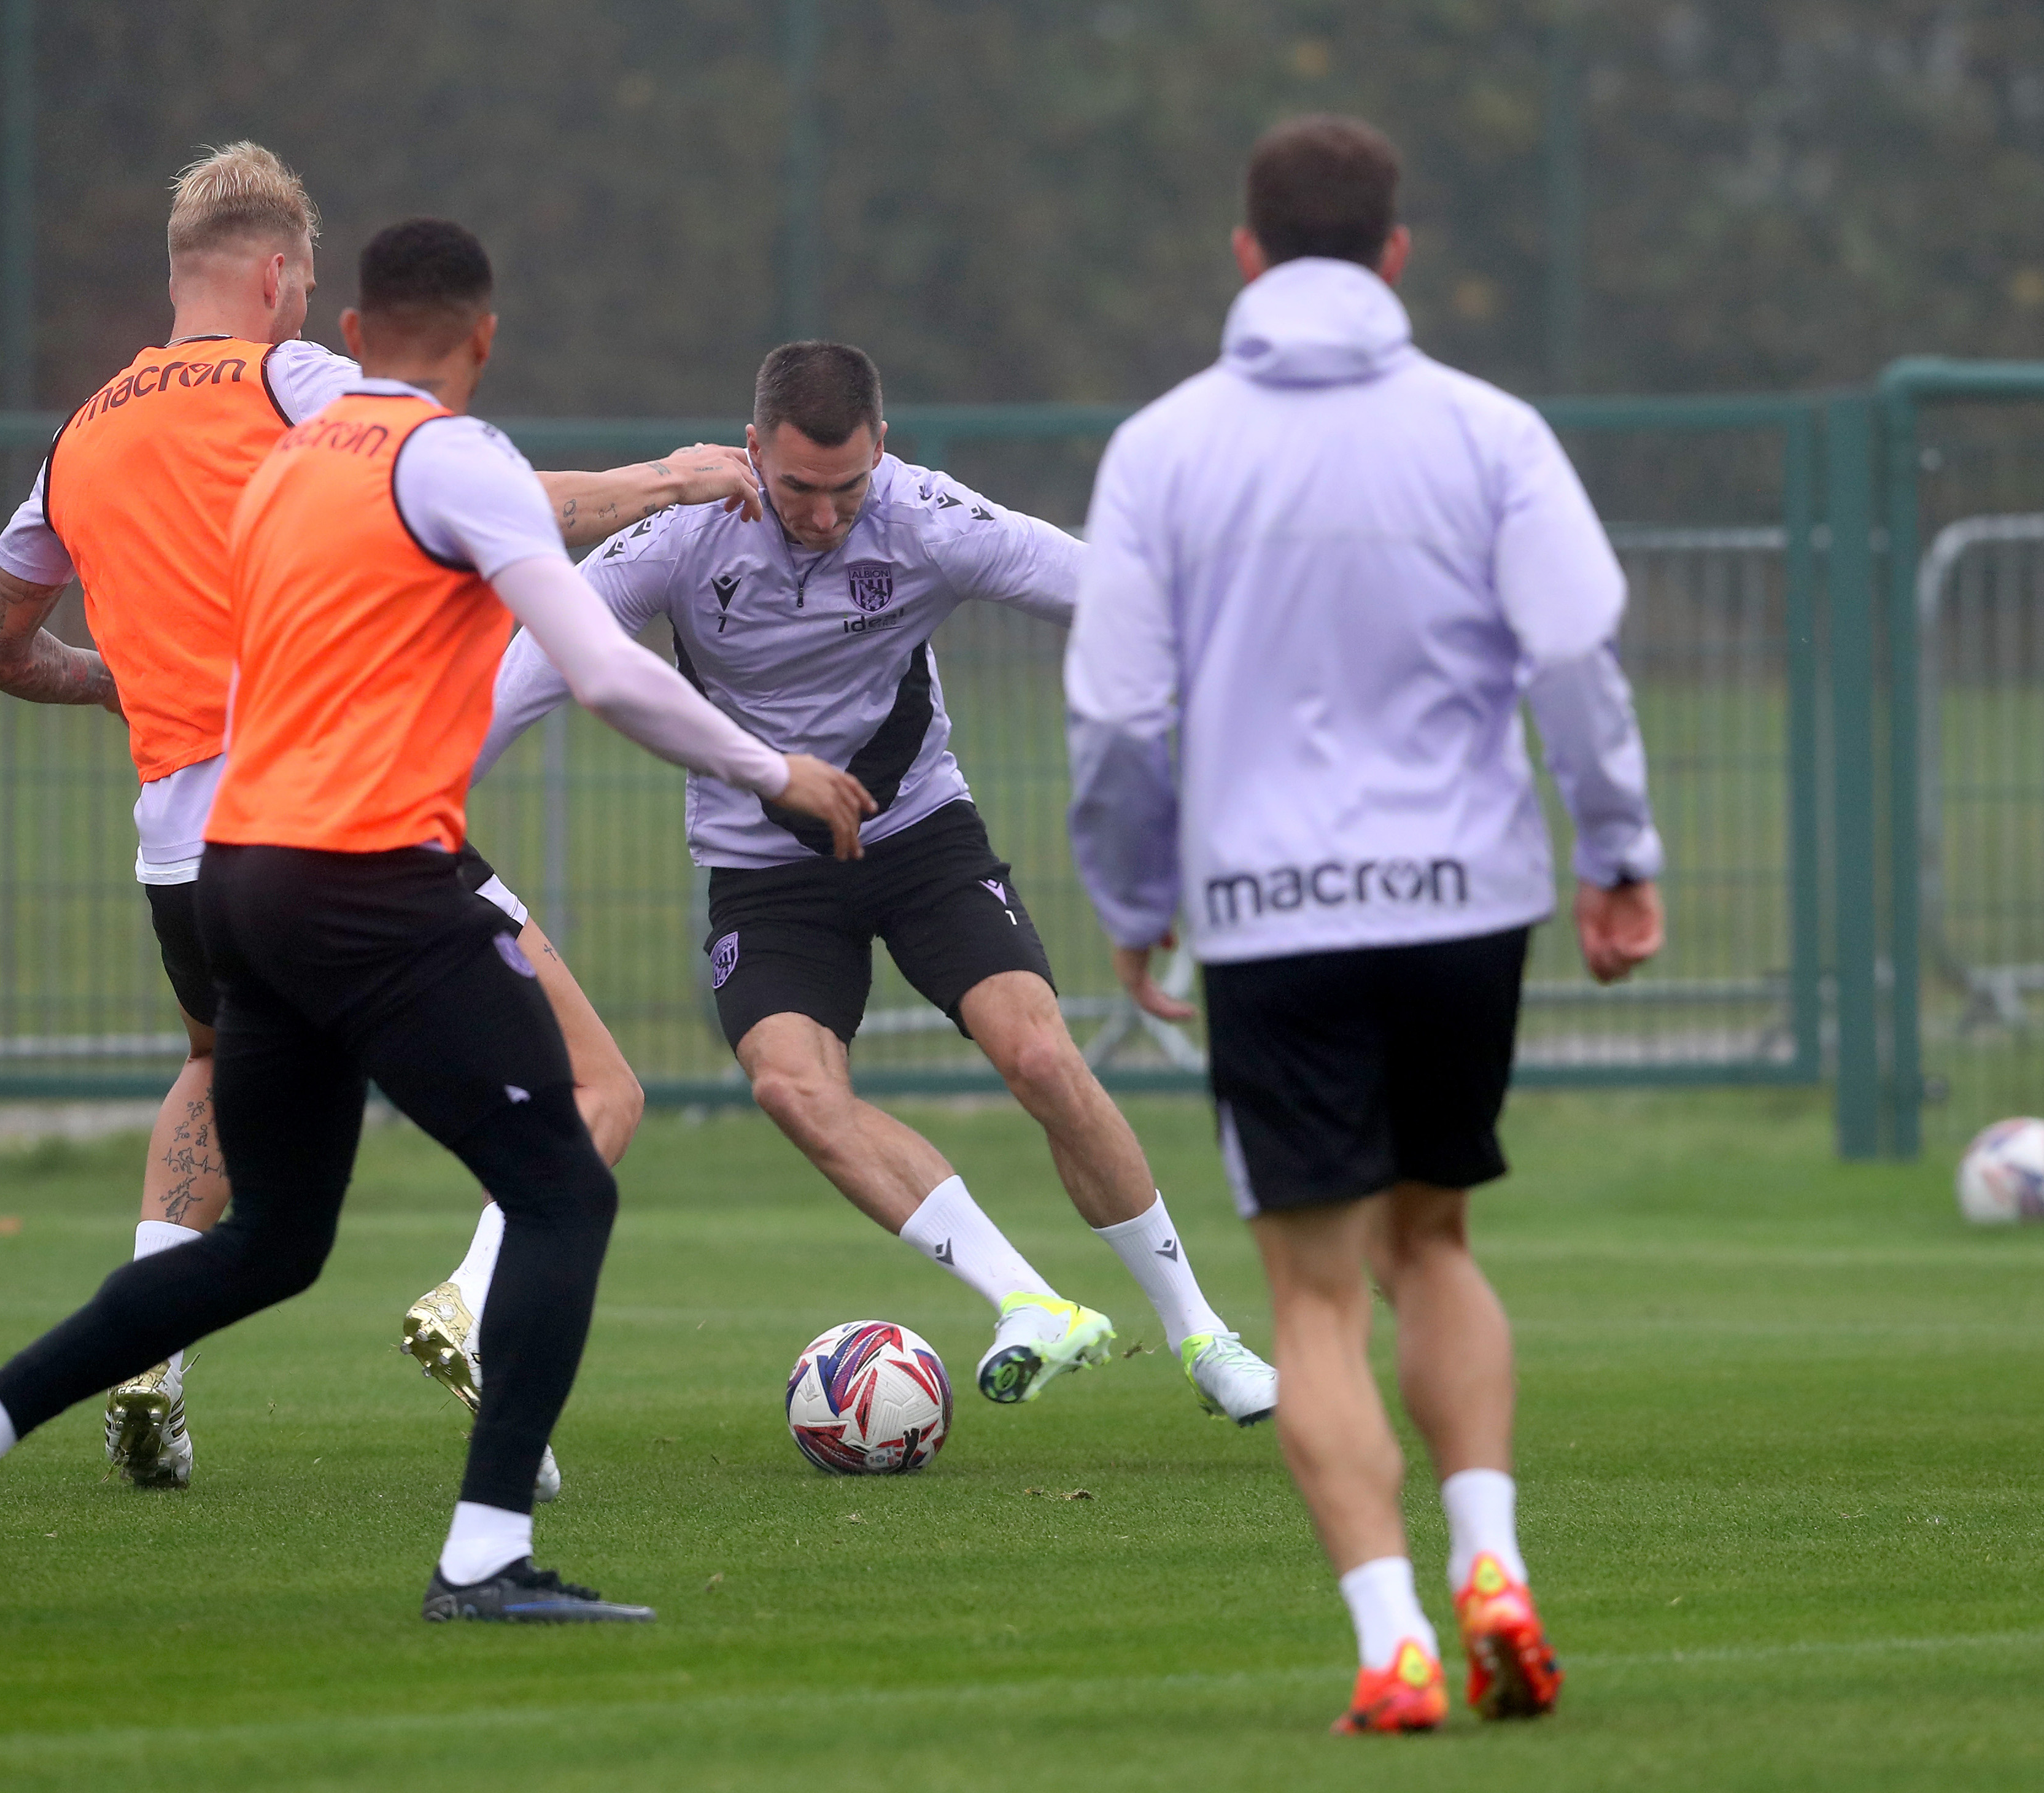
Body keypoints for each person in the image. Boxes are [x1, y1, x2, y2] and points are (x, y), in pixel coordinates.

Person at [0, 215, 873, 1622]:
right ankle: (483, 1560)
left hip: (242, 881)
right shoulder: (453, 459)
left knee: (272, 1242)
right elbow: (601, 669)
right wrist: (778, 770)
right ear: (484, 338)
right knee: (564, 1179)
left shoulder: (284, 474)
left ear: (349, 335)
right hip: (369, 879)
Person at [0, 141, 756, 1493]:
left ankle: (145, 1354)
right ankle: (478, 1370)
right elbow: (482, 495)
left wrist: (137, 690)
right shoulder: (299, 381)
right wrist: (671, 480)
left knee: (221, 1075)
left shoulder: (80, 432)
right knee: (593, 1095)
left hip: (182, 853)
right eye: (306, 280)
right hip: (334, 823)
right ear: (279, 276)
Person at [1065, 115, 1666, 1732]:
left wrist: (1137, 907)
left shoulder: (1168, 448)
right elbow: (1575, 658)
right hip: (1466, 902)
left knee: (1318, 1296)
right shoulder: (1491, 432)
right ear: (1397, 256)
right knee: (1437, 1240)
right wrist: (1617, 846)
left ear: (1246, 256)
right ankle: (1495, 1564)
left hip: (1269, 917)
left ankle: (1395, 1639)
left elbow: (1120, 720)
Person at [474, 341, 1279, 1424]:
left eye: (847, 487)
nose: (822, 514)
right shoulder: (677, 536)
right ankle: (1031, 1302)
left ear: (883, 452)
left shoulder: (929, 515)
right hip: (763, 870)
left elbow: (1111, 593)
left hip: (918, 836)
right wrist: (414, 797)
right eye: (797, 488)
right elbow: (532, 669)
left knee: (1038, 1052)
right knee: (793, 1087)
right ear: (751, 450)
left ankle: (1202, 1335)